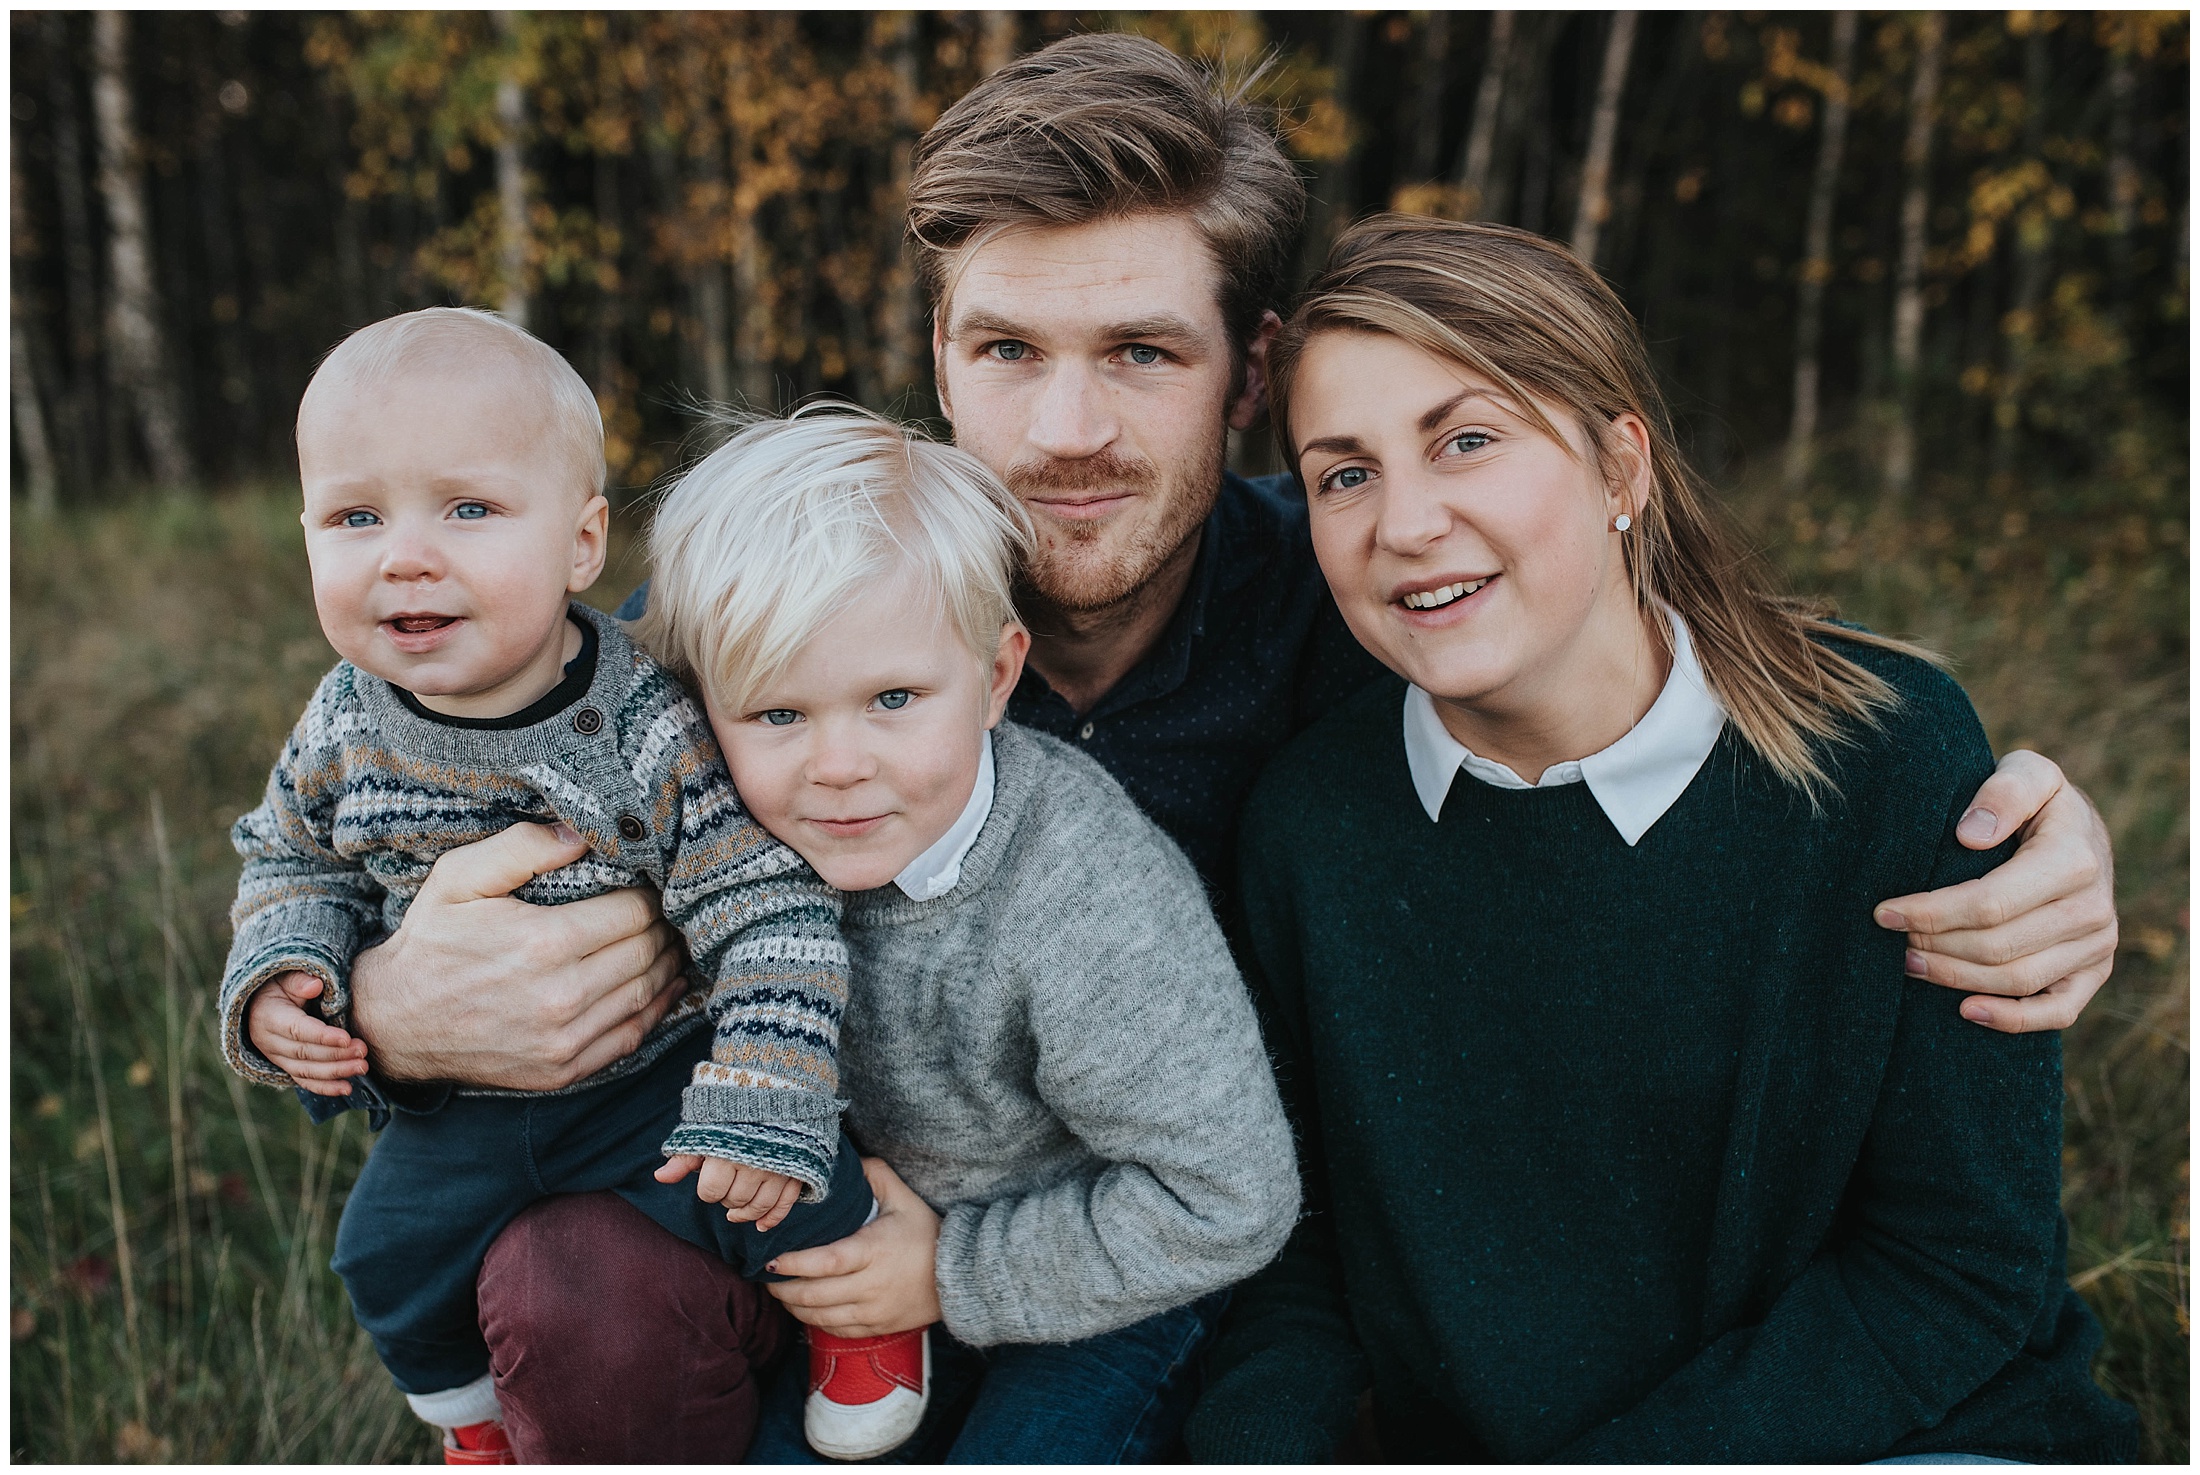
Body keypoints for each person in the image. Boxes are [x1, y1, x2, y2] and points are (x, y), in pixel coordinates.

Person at [302, 35, 2123, 1460]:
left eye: (1142, 356)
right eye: (1008, 349)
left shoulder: (1353, 642)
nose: (1066, 428)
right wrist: (380, 1013)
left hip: (1132, 1297)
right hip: (776, 1237)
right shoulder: (791, 628)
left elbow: (1610, 632)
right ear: (939, 355)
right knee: (572, 1286)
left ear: (1248, 373)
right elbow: (441, 768)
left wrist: (2035, 828)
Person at [1183, 216, 2139, 1463]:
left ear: (1620, 468)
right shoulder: (1310, 823)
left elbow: (1954, 1264)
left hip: (1896, 1434)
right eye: (1342, 472)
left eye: (1465, 439)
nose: (1404, 521)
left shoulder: (1887, 760)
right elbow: (1298, 1258)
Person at [214, 308, 878, 1462]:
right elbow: (289, 855)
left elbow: (760, 899)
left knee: (781, 1177)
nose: (404, 554)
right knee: (379, 1253)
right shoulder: (338, 721)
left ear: (581, 545)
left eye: (467, 509)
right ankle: (475, 1425)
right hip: (464, 1103)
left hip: (649, 1078)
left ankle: (870, 1334)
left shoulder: (639, 720)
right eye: (355, 516)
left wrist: (764, 1070)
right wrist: (286, 974)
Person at [633, 405, 1297, 1461]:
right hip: (842, 1266)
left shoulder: (1081, 889)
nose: (839, 762)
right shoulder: (709, 836)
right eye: (777, 714)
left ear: (995, 677)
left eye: (892, 697)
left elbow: (1228, 1199)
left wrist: (948, 1269)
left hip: (1101, 1267)